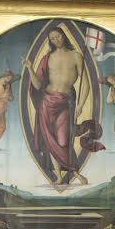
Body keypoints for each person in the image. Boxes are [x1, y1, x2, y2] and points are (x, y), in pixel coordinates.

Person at [25, 27, 87, 185]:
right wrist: (30, 68)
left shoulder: (76, 56)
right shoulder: (47, 58)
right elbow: (38, 85)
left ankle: (75, 172)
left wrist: (81, 105)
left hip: (64, 102)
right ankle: (59, 176)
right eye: (52, 38)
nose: (56, 40)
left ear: (63, 36)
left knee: (63, 141)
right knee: (50, 140)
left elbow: (85, 83)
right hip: (47, 101)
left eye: (58, 36)